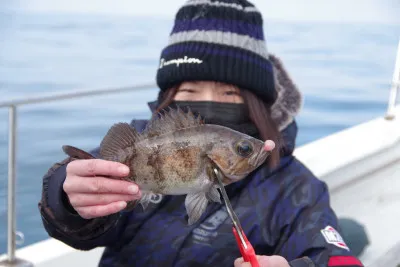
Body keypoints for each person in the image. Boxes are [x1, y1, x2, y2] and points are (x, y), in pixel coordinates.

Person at [38, 0, 366, 266]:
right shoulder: (142, 143)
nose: (209, 102)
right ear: (169, 96)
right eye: (191, 91)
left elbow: (333, 257)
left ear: (257, 103)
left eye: (229, 94)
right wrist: (67, 197)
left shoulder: (297, 189)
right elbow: (83, 209)